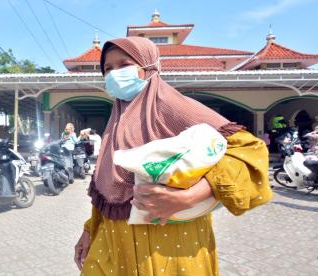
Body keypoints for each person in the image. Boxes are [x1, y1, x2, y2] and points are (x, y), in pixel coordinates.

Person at [74, 37, 272, 275]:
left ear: (149, 67)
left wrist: (190, 196)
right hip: (114, 240)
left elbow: (249, 150)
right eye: (108, 69)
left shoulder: (171, 105)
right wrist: (89, 230)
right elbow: (109, 189)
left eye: (125, 65)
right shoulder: (117, 117)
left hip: (170, 240)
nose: (115, 74)